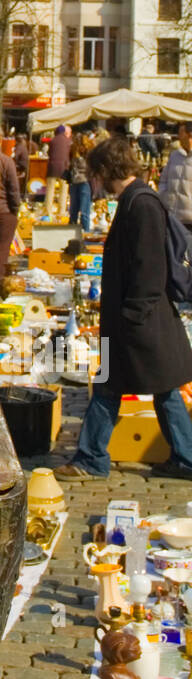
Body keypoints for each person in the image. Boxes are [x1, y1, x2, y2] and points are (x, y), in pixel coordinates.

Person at [56, 138, 192, 482]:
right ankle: (185, 458)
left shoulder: (141, 204)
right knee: (162, 391)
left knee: (115, 386)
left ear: (105, 171)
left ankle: (92, 458)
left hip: (139, 322)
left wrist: (132, 315)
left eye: (95, 174)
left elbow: (150, 268)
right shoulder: (137, 200)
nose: (94, 182)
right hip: (140, 320)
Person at [0, 124, 19, 290]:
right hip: (4, 211)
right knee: (1, 252)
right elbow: (14, 190)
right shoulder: (6, 160)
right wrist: (15, 210)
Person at [158, 120, 192, 234]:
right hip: (173, 217)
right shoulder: (174, 155)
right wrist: (164, 198)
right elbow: (163, 180)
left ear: (189, 135)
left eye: (181, 133)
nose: (178, 136)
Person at [45, 124, 71, 218]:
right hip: (64, 168)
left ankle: (48, 211)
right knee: (63, 191)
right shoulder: (68, 141)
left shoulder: (52, 141)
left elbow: (49, 153)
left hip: (52, 168)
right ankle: (61, 212)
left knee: (50, 190)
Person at [68, 132, 92, 232]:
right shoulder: (84, 154)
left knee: (77, 211)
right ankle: (82, 232)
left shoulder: (75, 153)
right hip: (82, 182)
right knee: (81, 211)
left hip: (78, 182)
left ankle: (76, 231)